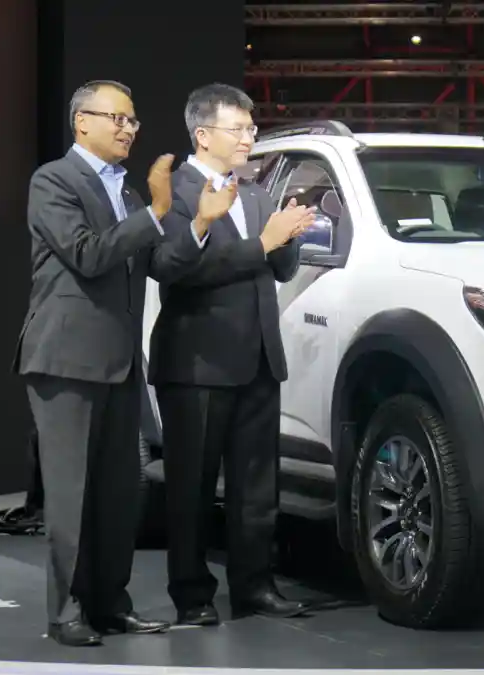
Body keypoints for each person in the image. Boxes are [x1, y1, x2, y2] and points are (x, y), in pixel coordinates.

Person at [14, 79, 237, 646]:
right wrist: (159, 209)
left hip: (119, 362)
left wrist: (199, 223)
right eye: (116, 118)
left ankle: (110, 603)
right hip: (65, 359)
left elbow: (161, 265)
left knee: (119, 493)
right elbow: (87, 255)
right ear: (81, 122)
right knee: (71, 495)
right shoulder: (54, 180)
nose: (128, 129)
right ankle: (65, 612)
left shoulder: (132, 196)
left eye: (132, 120)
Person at [148, 83, 315, 626]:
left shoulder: (257, 195)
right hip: (197, 364)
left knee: (257, 487)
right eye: (238, 128)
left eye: (251, 128)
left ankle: (255, 586)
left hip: (259, 361)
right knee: (192, 489)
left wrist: (287, 235)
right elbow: (182, 270)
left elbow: (280, 269)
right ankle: (192, 594)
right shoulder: (174, 193)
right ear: (203, 134)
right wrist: (262, 244)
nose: (249, 137)